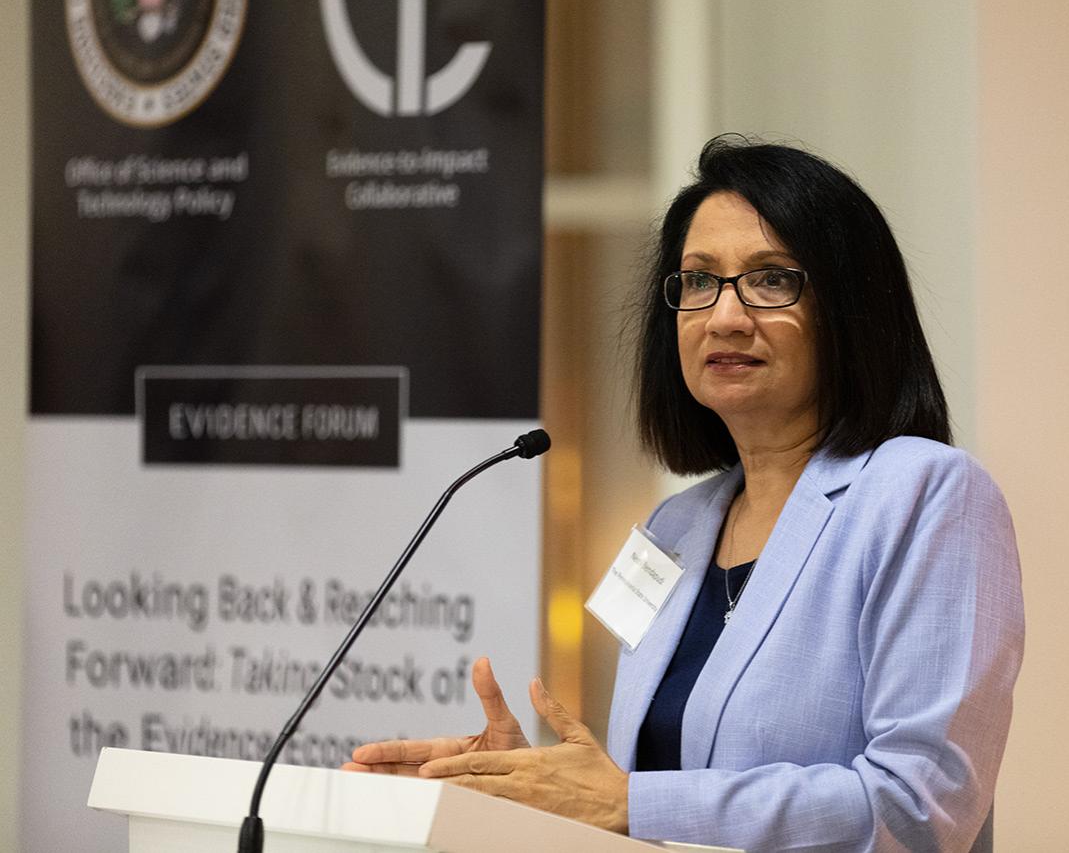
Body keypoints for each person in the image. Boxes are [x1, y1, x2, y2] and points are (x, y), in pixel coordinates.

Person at [345, 137, 1025, 853]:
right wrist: (532, 788)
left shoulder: (925, 494)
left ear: (850, 308)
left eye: (770, 280)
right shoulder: (676, 526)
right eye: (698, 281)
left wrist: (626, 800)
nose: (724, 316)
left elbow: (920, 806)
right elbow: (650, 788)